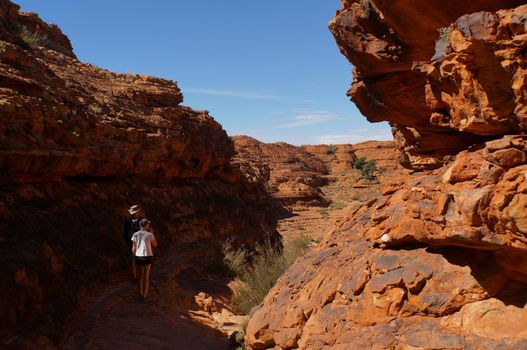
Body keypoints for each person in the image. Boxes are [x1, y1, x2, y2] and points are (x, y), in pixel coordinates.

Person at [131, 218, 157, 302]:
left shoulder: (135, 234)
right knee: (146, 276)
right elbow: (155, 244)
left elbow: (133, 248)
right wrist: (152, 233)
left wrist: (135, 256)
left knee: (140, 277)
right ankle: (144, 296)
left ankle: (140, 295)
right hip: (147, 256)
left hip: (139, 256)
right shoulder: (149, 234)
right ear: (146, 225)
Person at [123, 204, 142, 281]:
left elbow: (125, 233)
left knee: (134, 259)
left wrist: (127, 242)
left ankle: (135, 276)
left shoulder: (127, 222)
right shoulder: (140, 221)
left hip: (132, 242)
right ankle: (139, 275)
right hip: (139, 242)